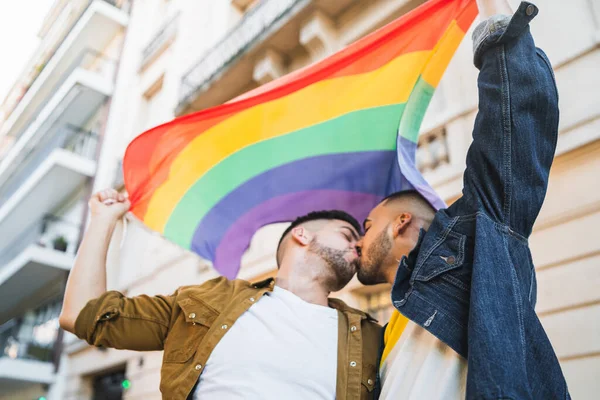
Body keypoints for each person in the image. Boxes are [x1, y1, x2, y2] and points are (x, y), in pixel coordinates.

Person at [355, 1, 569, 399]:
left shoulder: (473, 248)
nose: (356, 241)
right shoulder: (386, 330)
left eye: (366, 227)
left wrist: (498, 38)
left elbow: (511, 147)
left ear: (401, 220)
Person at [59, 192, 381, 400]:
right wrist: (103, 220)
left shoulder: (371, 336)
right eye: (347, 235)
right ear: (302, 235)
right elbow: (84, 316)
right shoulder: (213, 300)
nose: (358, 245)